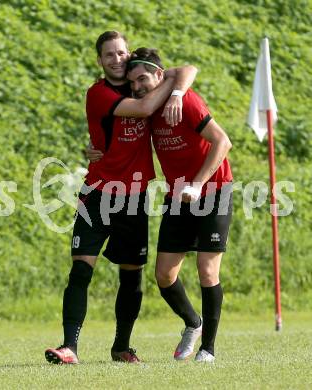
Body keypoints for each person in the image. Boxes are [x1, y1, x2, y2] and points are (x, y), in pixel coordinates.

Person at [45, 31, 198, 364]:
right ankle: (69, 347)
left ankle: (121, 348)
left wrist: (175, 93)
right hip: (98, 193)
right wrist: (166, 88)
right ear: (100, 60)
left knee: (132, 275)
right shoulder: (99, 93)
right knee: (81, 270)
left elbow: (186, 69)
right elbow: (143, 109)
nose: (117, 59)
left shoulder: (142, 83)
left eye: (121, 52)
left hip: (134, 197)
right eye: (109, 54)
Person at [88, 47, 233, 363]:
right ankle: (193, 324)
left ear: (159, 74)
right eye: (133, 82)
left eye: (142, 79)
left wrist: (197, 185)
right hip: (177, 197)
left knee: (207, 270)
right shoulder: (146, 108)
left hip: (213, 192)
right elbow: (118, 134)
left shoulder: (185, 100)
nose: (138, 86)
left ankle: (208, 348)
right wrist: (96, 148)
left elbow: (223, 142)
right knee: (164, 275)